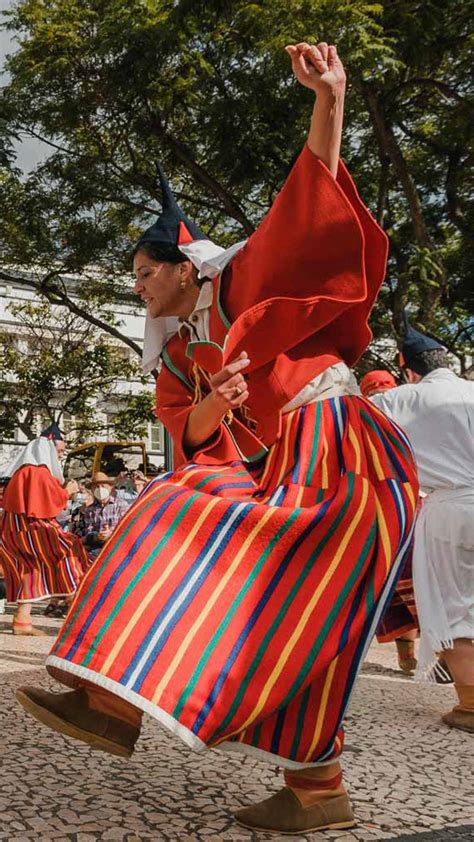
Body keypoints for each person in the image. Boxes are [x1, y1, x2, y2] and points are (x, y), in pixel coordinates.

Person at [16, 42, 418, 835]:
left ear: (182, 265)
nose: (137, 289)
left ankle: (109, 702)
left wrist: (329, 100)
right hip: (280, 471)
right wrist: (209, 410)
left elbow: (305, 213)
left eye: (141, 273)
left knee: (176, 509)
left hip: (340, 456)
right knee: (298, 630)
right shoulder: (176, 353)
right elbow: (186, 427)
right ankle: (318, 790)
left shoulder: (241, 282)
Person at [371, 315, 474, 732]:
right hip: (457, 501)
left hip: (450, 506)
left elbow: (349, 422)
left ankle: (470, 704)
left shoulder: (403, 399)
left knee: (454, 606)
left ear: (407, 366)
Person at [0, 424, 91, 635]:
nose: (60, 456)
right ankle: (79, 613)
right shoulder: (37, 471)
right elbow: (48, 503)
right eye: (59, 451)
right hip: (31, 529)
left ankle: (22, 621)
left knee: (30, 570)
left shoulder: (22, 471)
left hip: (15, 530)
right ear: (48, 448)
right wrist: (67, 492)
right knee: (72, 553)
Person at [360, 369, 419, 673]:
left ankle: (409, 656)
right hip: (417, 503)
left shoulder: (363, 414)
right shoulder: (412, 407)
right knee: (419, 583)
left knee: (394, 583)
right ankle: (435, 656)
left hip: (382, 508)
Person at [72, 471, 130, 557]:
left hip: (116, 545)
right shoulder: (90, 509)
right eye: (96, 487)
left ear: (110, 488)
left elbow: (126, 528)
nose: (100, 489)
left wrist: (110, 533)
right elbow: (89, 532)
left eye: (103, 486)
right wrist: (98, 537)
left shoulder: (121, 505)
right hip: (97, 547)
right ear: (92, 490)